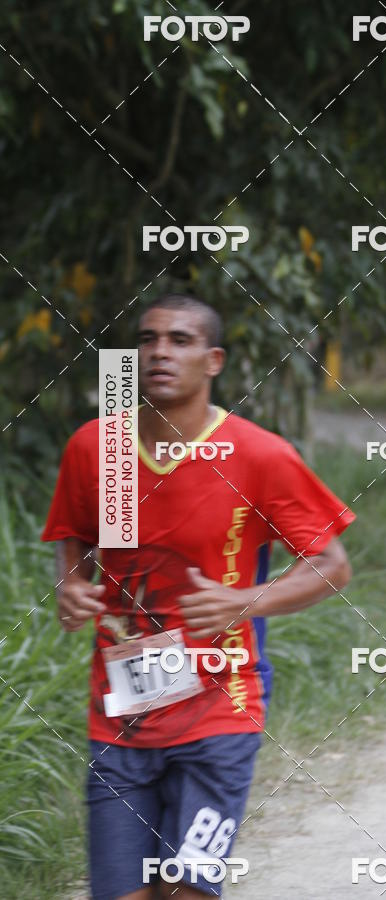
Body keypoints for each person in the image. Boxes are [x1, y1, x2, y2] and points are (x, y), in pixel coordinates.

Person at [41, 293, 355, 899]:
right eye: (149, 338)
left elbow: (331, 565)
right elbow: (77, 539)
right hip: (121, 716)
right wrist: (72, 585)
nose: (160, 351)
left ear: (213, 361)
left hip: (220, 711)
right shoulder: (96, 449)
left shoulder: (259, 455)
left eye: (180, 340)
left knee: (184, 891)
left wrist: (246, 601)